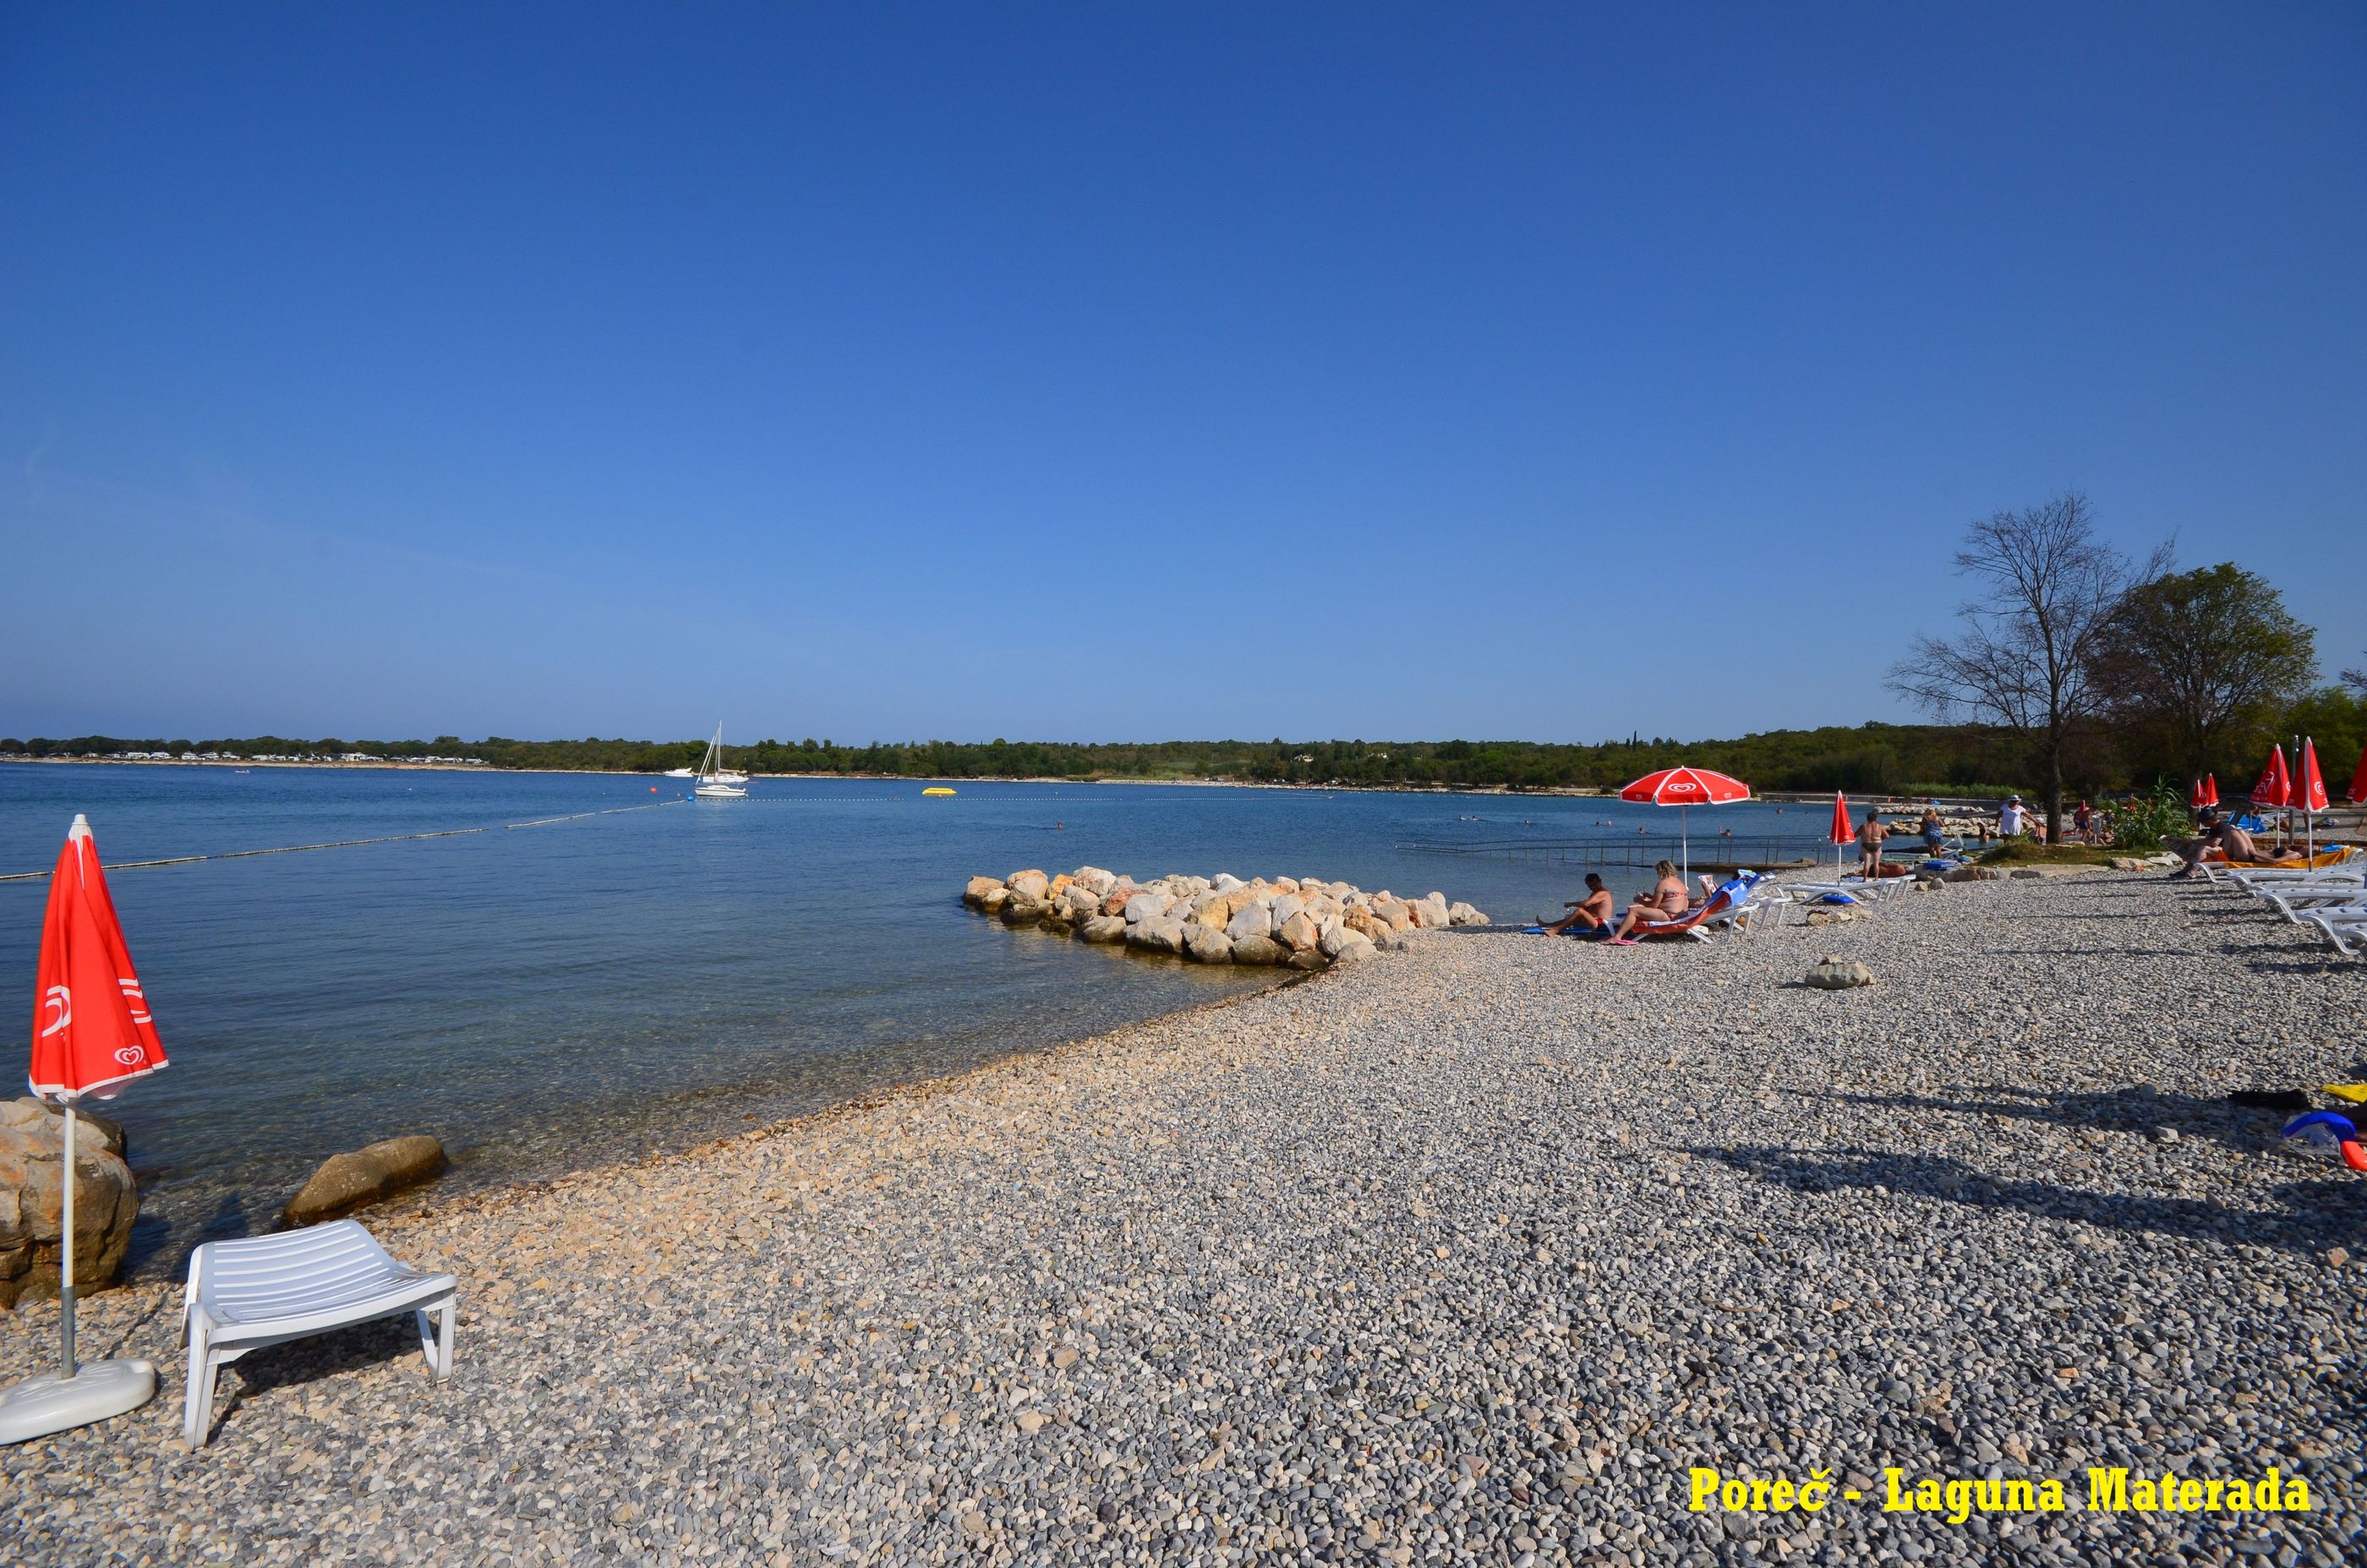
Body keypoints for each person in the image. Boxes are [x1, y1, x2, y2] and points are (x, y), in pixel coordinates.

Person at [2167, 810, 2310, 877]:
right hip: (2251, 853)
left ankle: (2190, 873)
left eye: (2310, 848)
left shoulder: (2296, 855)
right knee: (2238, 831)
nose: (2307, 846)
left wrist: (2254, 853)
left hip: (2250, 857)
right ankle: (2186, 872)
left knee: (2233, 832)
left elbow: (2274, 861)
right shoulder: (2294, 851)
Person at [1605, 860, 1690, 945]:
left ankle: (1616, 937)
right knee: (1641, 911)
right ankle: (1630, 932)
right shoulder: (1680, 883)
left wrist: (1640, 901)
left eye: (1657, 871)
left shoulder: (1663, 884)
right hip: (1682, 916)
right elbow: (1670, 900)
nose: (1657, 875)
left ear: (1661, 870)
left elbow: (1653, 905)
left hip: (1670, 916)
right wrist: (1650, 897)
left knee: (1634, 911)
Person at [1540, 872, 1615, 935]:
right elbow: (1587, 908)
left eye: (1595, 884)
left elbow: (1586, 904)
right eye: (1590, 886)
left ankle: (1555, 930)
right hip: (1593, 920)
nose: (1593, 887)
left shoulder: (1603, 893)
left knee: (1579, 911)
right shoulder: (1594, 894)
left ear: (1600, 881)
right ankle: (1547, 925)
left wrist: (1571, 904)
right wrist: (1573, 915)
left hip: (1601, 923)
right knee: (1573, 917)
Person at [1859, 807, 1889, 877]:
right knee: (1876, 863)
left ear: (1867, 819)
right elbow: (1887, 836)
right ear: (1876, 819)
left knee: (1867, 863)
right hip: (1877, 844)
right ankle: (1876, 878)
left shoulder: (1864, 826)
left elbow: (1855, 835)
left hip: (1866, 844)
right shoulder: (1880, 826)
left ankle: (1865, 879)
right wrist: (1881, 838)